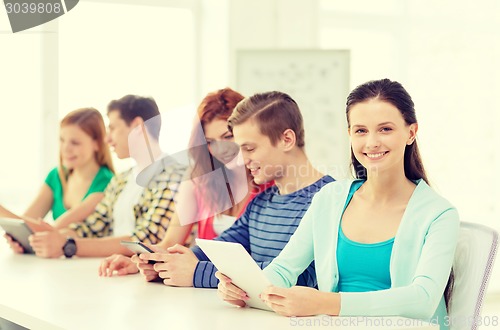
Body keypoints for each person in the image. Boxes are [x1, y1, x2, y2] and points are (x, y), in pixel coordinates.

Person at [217, 79, 459, 328]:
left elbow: (423, 299)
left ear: (411, 133)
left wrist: (326, 303)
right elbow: (283, 270)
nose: (372, 142)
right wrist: (244, 289)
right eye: (361, 131)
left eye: (385, 129)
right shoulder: (329, 199)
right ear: (350, 135)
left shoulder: (439, 214)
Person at [131, 91, 334, 288]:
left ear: (286, 140)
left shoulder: (332, 199)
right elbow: (219, 249)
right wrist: (165, 263)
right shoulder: (261, 203)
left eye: (250, 148)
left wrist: (197, 273)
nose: (242, 159)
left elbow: (303, 276)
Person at [98, 88, 273, 277]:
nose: (222, 149)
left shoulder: (269, 182)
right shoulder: (198, 182)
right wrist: (137, 262)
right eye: (210, 142)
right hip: (202, 289)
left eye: (228, 137)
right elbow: (170, 243)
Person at [23, 95, 186, 258]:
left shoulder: (175, 175)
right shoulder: (121, 180)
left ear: (137, 126)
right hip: (114, 272)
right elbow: (92, 227)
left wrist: (67, 245)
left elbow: (146, 239)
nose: (107, 139)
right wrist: (49, 238)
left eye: (113, 128)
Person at [3, 108, 114, 252]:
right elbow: (23, 224)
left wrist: (2, 211)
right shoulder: (56, 176)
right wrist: (17, 238)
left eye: (75, 143)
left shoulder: (107, 183)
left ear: (97, 144)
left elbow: (51, 231)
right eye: (62, 140)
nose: (65, 148)